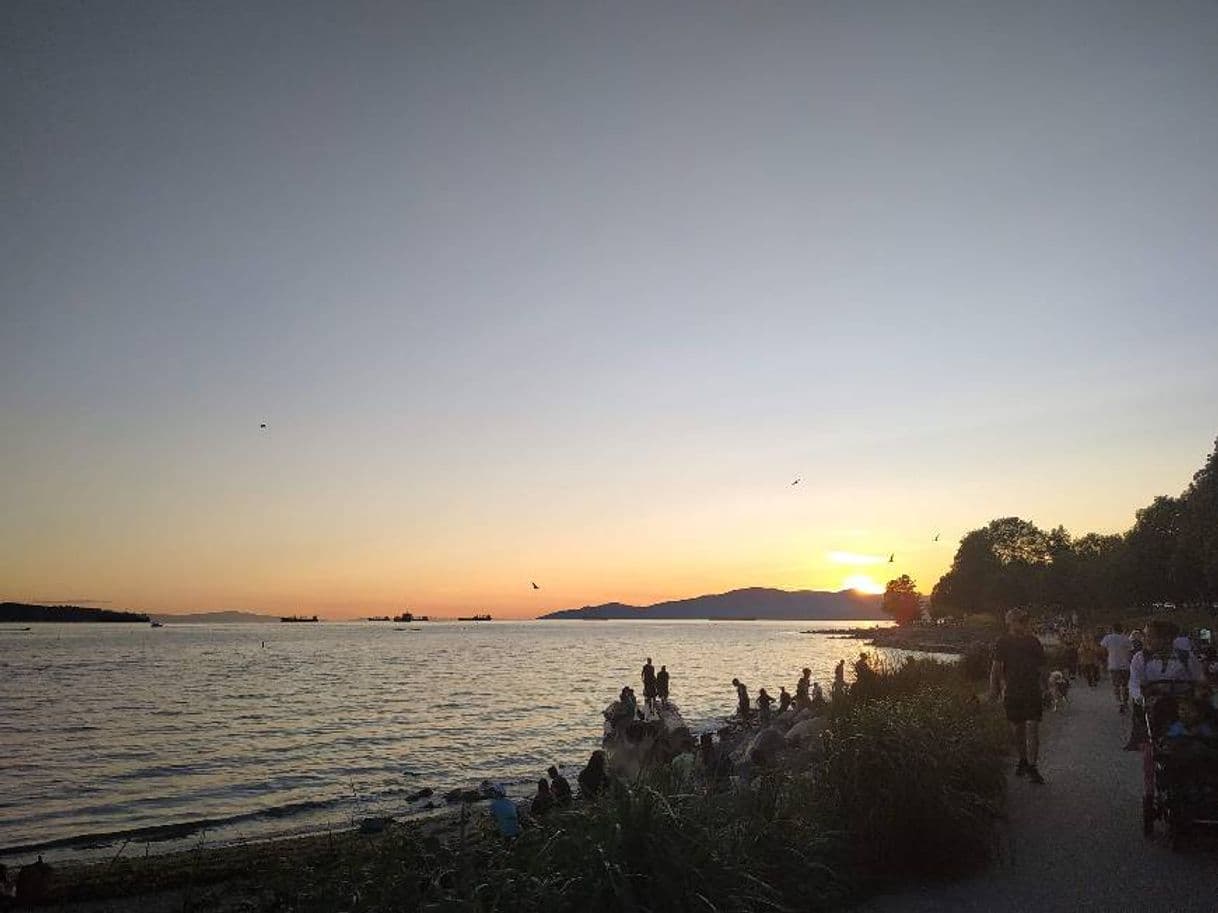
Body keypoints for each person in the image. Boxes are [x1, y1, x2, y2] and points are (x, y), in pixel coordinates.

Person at [990, 608, 1047, 784]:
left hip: (1032, 690)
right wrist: (994, 690)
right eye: (1017, 621)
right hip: (1013, 691)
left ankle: (1033, 766)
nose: (1021, 624)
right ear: (1009, 622)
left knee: (1032, 727)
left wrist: (1046, 687)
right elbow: (997, 667)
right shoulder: (1003, 642)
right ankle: (1023, 760)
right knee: (1018, 730)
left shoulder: (1034, 642)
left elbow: (1042, 667)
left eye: (1023, 620)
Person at [1100, 623, 1134, 714]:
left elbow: (1102, 649)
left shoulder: (1108, 638)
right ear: (1121, 629)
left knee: (1116, 685)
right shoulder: (1126, 638)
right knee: (1125, 685)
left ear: (1112, 629)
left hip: (1113, 665)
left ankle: (1119, 702)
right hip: (1125, 665)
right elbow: (1131, 651)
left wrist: (1105, 659)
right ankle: (1125, 702)